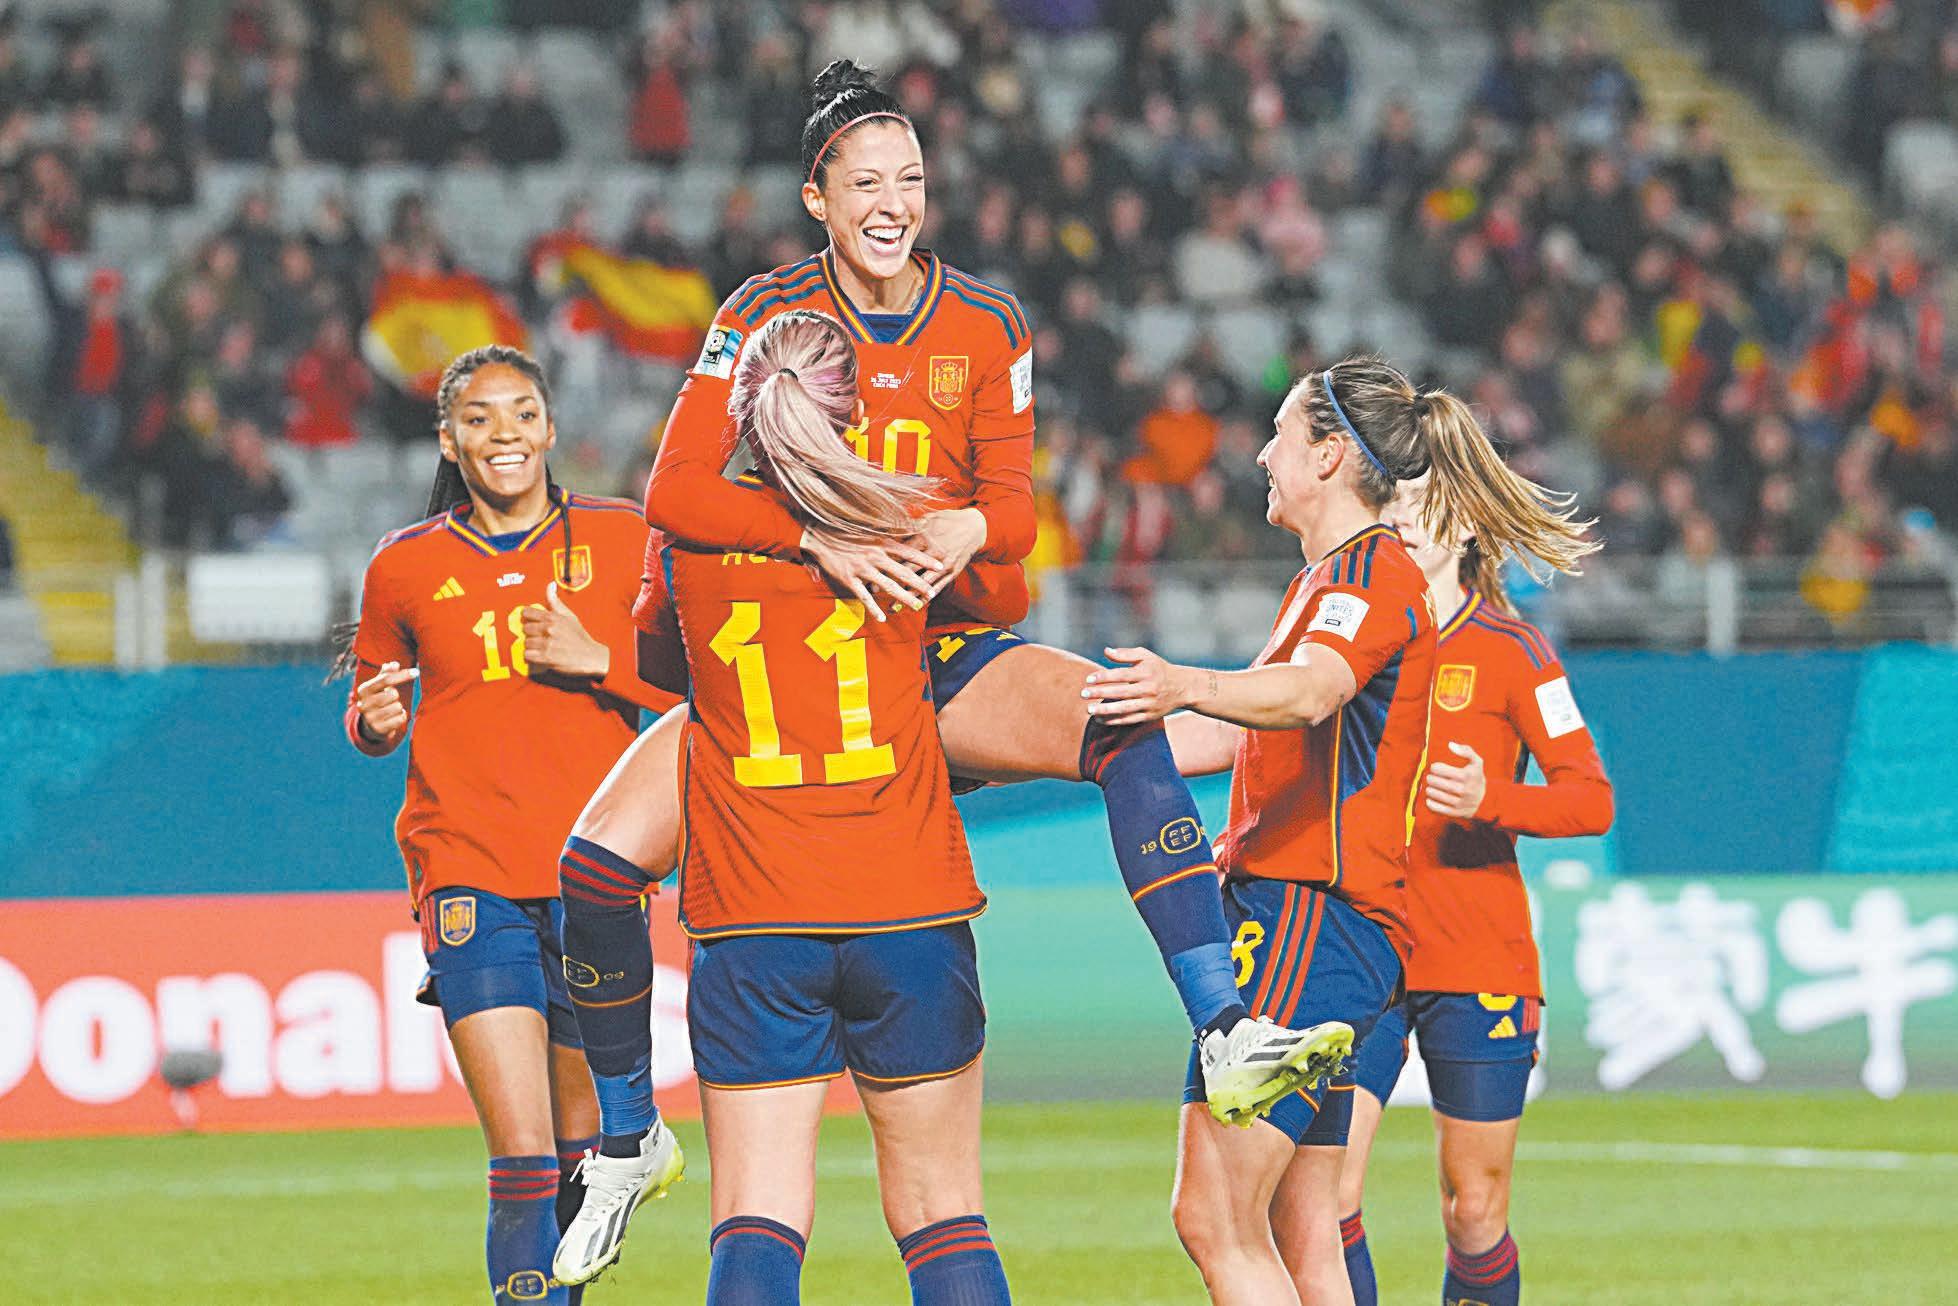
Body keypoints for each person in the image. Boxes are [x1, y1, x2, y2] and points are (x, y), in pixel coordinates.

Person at [553, 59, 1335, 1276]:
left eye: (909, 179)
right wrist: (820, 539)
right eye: (866, 182)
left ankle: (1221, 1023)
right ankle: (621, 1136)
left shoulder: (986, 322)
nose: (892, 203)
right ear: (816, 198)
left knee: (1117, 720)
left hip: (930, 646)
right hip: (803, 654)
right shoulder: (763, 314)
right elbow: (675, 491)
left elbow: (1011, 533)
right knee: (597, 864)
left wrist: (965, 527)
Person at [1079, 358, 1596, 1305]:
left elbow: (1311, 691)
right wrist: (1071, 746)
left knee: (1218, 1216)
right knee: (1308, 1222)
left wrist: (1183, 679)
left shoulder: (1368, 578)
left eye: (1280, 433)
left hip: (1309, 920)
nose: (1261, 454)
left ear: (1327, 456)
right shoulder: (1332, 583)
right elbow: (1246, 727)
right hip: (1350, 931)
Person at [564, 308, 1010, 1305]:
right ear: (855, 413)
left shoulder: (687, 547)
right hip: (909, 904)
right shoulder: (909, 524)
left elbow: (660, 668)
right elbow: (1005, 600)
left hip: (754, 914)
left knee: (757, 1214)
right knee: (943, 1211)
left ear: (742, 415)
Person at [338, 346, 681, 1306]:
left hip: (596, 877)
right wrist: (373, 723)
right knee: (522, 1154)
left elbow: (699, 689)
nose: (505, 435)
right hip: (468, 871)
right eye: (480, 418)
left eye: (523, 414)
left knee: (580, 1155)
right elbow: (371, 704)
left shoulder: (622, 537)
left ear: (551, 429)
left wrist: (599, 657)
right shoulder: (404, 564)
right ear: (449, 440)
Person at [1335, 476, 1614, 1306]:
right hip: (1365, 946)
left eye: (1424, 506)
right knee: (1325, 1193)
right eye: (1391, 505)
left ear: (1465, 531)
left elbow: (1591, 801)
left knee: (1474, 1209)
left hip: (1475, 954)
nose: (1403, 519)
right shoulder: (1353, 638)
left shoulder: (1514, 649)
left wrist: (1492, 799)